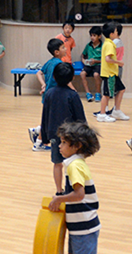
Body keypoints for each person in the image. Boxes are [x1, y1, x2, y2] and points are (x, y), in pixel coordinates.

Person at [49, 122, 132, 254]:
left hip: (84, 227)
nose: (59, 145)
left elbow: (79, 194)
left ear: (77, 145)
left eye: (63, 142)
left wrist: (59, 199)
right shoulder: (74, 163)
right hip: (79, 224)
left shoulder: (74, 166)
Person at [41, 62, 86, 196]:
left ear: (54, 77)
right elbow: (80, 117)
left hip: (55, 135)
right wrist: (85, 136)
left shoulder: (49, 94)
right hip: (72, 136)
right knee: (74, 162)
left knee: (57, 163)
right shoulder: (72, 95)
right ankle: (73, 188)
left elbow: (45, 116)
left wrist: (44, 136)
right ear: (72, 78)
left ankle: (59, 191)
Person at [29, 38, 74, 151]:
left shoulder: (49, 62)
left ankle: (37, 131)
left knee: (48, 118)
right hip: (55, 97)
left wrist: (43, 85)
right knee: (49, 120)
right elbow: (66, 80)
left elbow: (39, 73)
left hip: (48, 95)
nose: (65, 49)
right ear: (56, 52)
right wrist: (74, 90)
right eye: (63, 47)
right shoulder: (59, 64)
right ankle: (38, 142)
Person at [96, 22, 128, 122]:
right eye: (115, 31)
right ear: (111, 34)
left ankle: (116, 110)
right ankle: (102, 114)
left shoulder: (108, 43)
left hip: (113, 73)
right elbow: (108, 59)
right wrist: (119, 62)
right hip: (109, 74)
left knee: (121, 89)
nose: (117, 32)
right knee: (106, 94)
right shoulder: (110, 44)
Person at [80, 26, 102, 103]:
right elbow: (83, 55)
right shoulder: (88, 45)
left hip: (98, 65)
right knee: (82, 74)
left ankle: (98, 93)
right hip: (89, 65)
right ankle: (88, 93)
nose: (92, 37)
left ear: (99, 36)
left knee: (96, 75)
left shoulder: (103, 46)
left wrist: (96, 61)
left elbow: (105, 60)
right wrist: (83, 61)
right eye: (91, 35)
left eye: (94, 35)